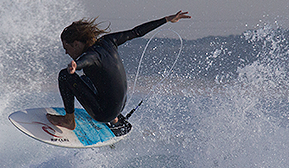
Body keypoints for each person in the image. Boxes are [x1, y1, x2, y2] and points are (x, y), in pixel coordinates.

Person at [47, 11, 191, 130]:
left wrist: (76, 66)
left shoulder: (91, 56)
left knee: (65, 76)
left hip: (104, 113)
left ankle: (68, 120)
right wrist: (166, 19)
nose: (66, 52)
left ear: (76, 44)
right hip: (119, 106)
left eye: (67, 48)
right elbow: (136, 32)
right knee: (84, 78)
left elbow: (87, 60)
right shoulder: (108, 40)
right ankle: (115, 119)